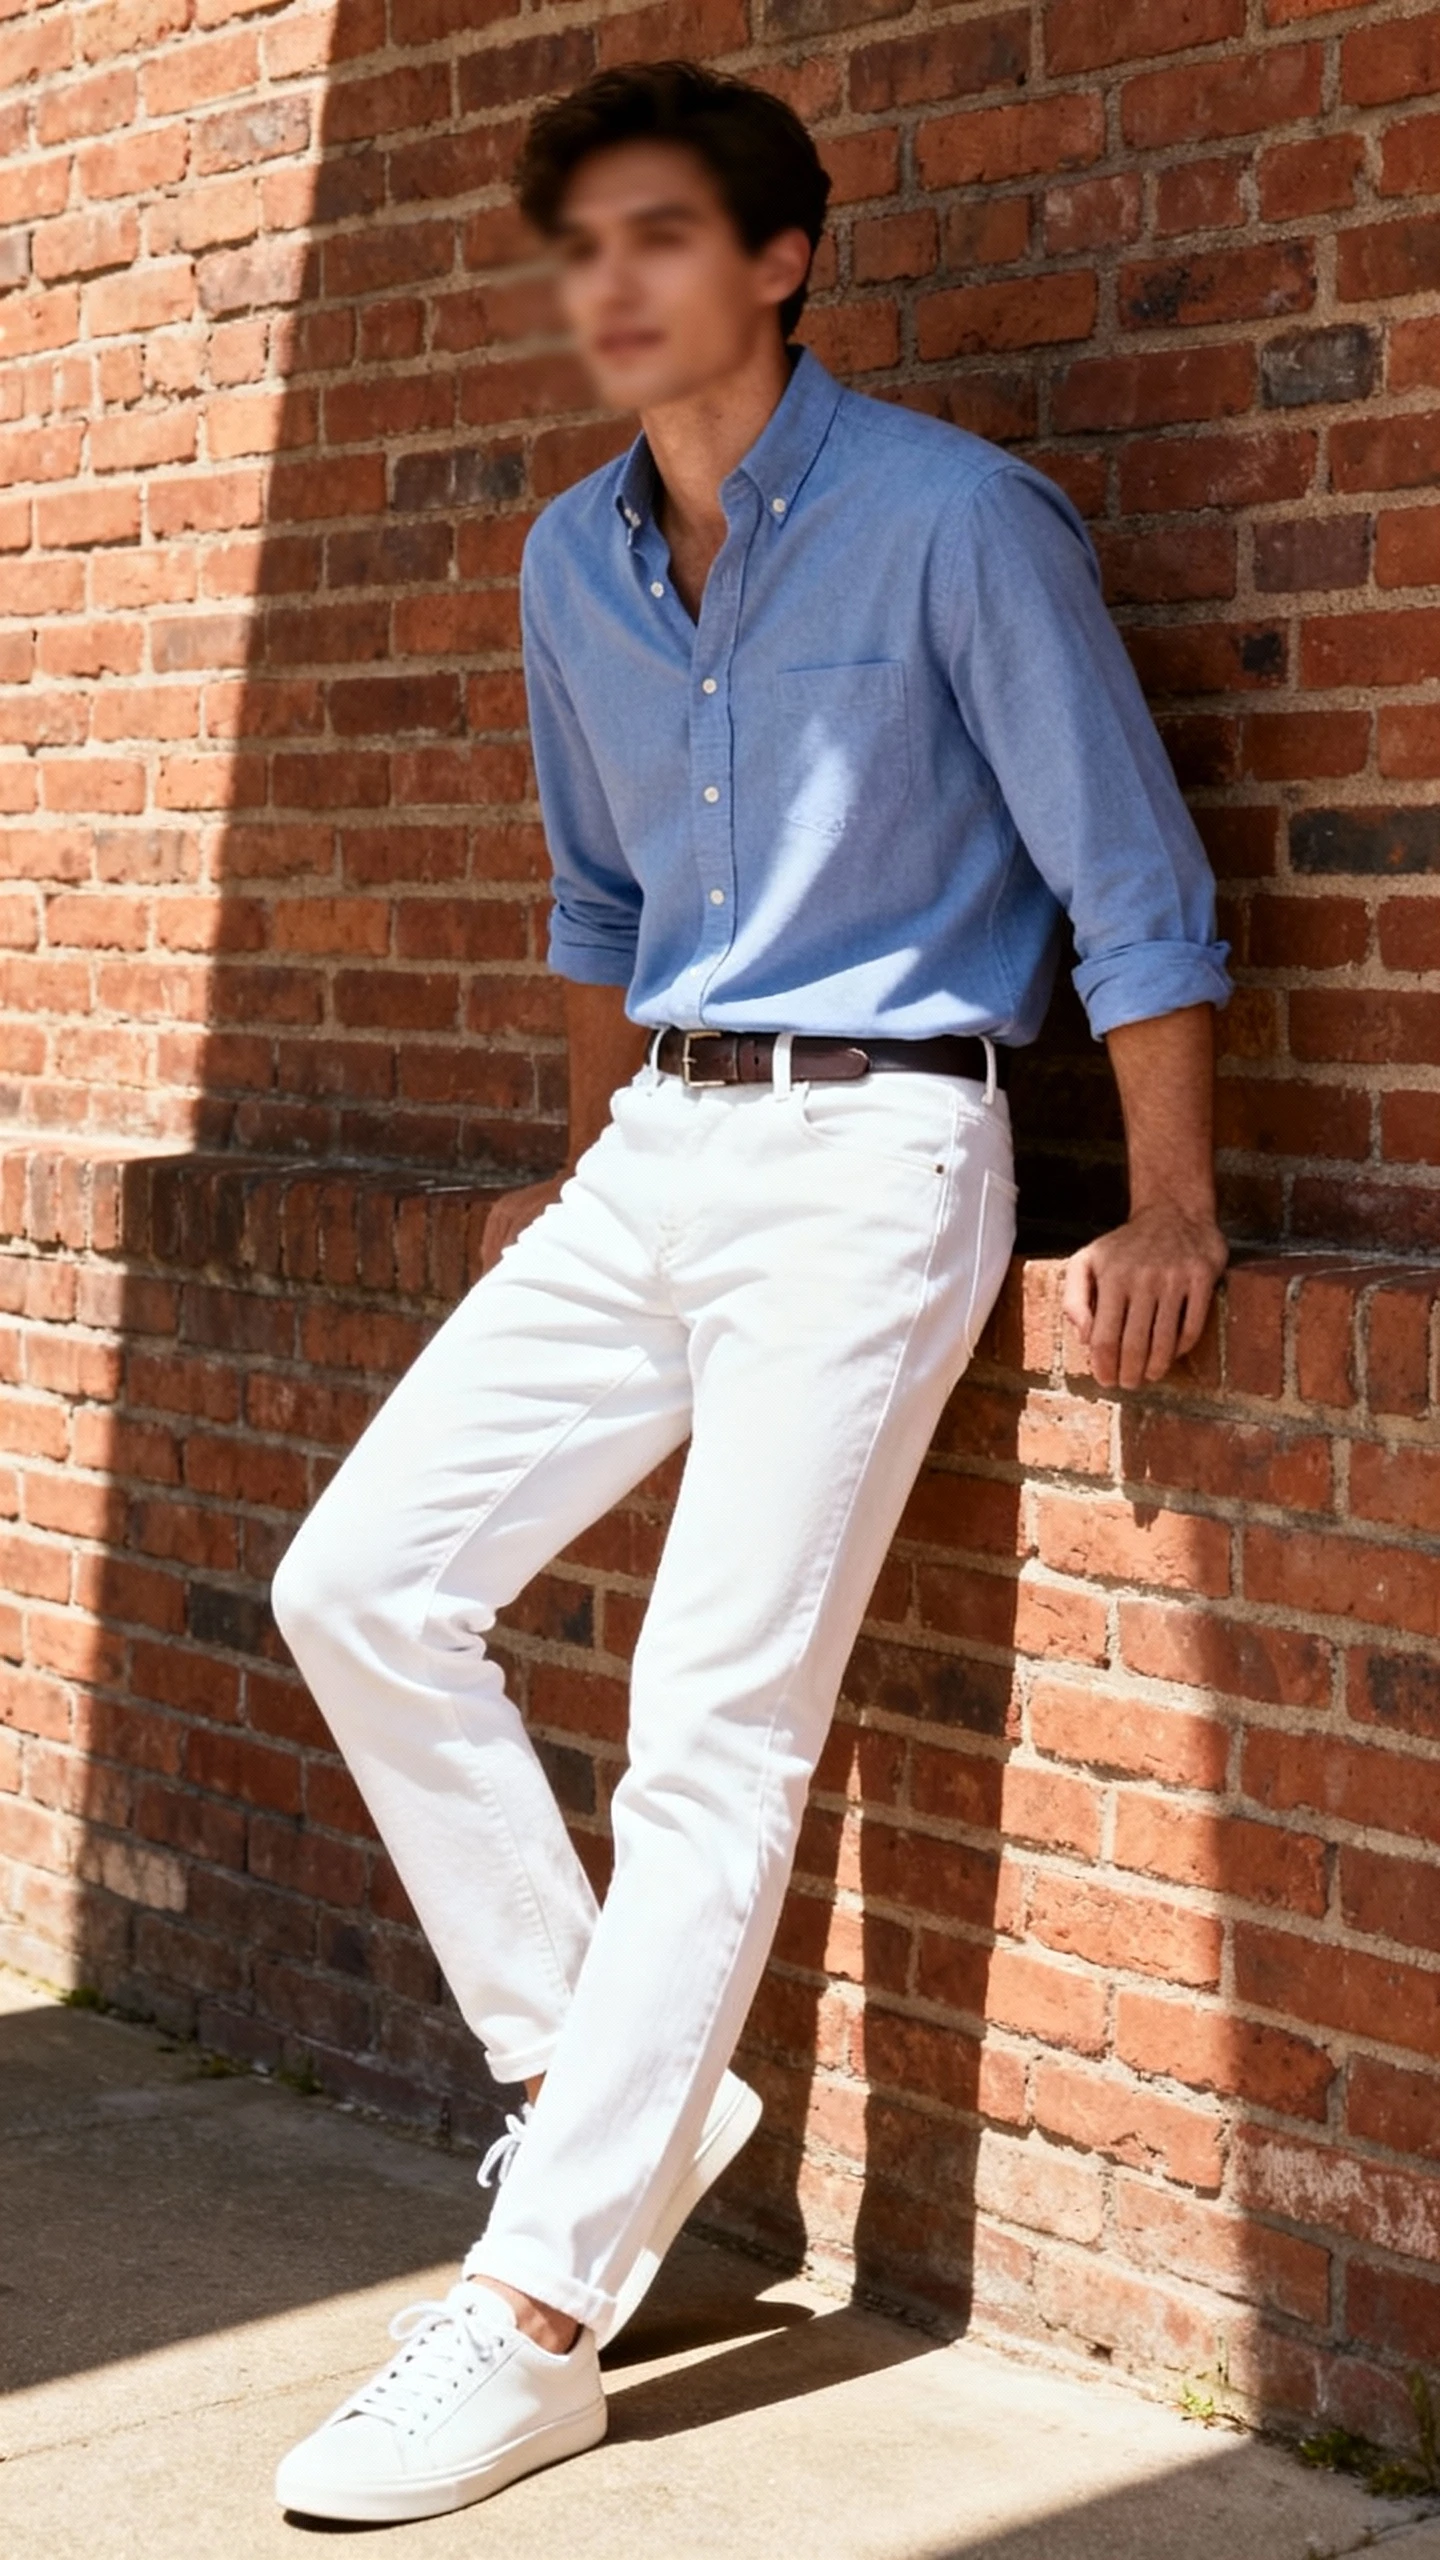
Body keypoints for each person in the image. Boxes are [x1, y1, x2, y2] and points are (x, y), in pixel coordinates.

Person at [269, 57, 1232, 2525]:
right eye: (578, 243)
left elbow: (1127, 873)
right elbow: (601, 904)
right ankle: (638, 2083)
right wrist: (577, 1155)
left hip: (886, 1146)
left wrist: (1172, 1203)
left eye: (662, 234)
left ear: (784, 259)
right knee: (362, 1577)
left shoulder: (952, 523)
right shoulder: (564, 561)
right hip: (661, 1145)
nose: (609, 284)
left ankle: (531, 2308)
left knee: (713, 1715)